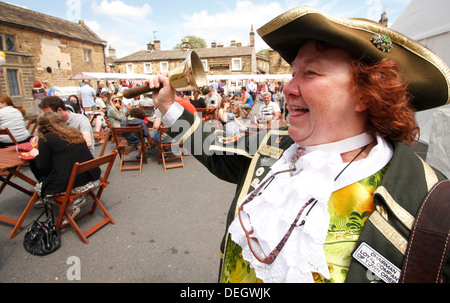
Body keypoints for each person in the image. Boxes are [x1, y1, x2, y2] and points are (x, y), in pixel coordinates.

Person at [145, 6, 450, 283]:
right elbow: (211, 148)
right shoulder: (274, 145)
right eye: (292, 74)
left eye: (311, 73)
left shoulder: (432, 202)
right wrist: (167, 104)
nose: (288, 88)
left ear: (366, 93)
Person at [29, 112, 100, 221]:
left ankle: (68, 205)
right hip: (92, 177)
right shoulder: (73, 132)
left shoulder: (46, 139)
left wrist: (37, 155)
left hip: (74, 184)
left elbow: (43, 167)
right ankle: (68, 202)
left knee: (36, 170)